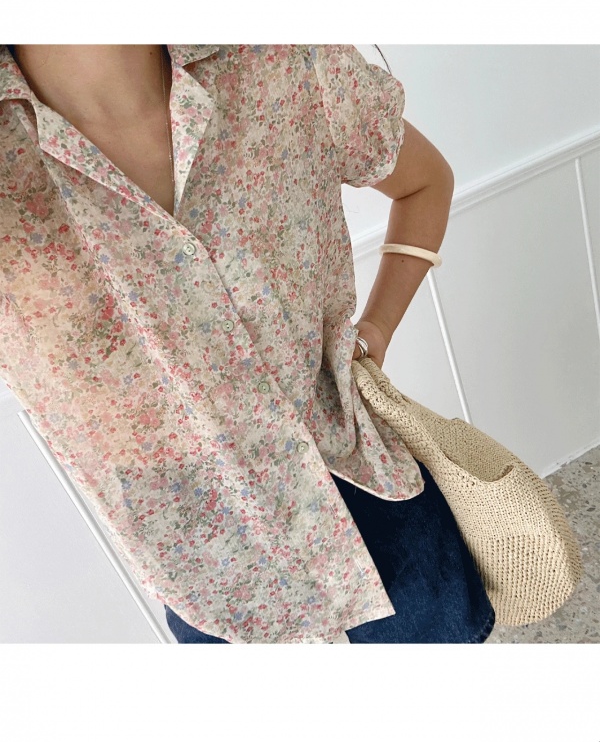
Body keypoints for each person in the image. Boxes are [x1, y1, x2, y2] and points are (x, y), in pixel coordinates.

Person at [0, 44, 495, 643]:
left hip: (370, 499)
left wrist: (377, 331)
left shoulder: (277, 61)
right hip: (213, 566)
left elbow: (423, 183)